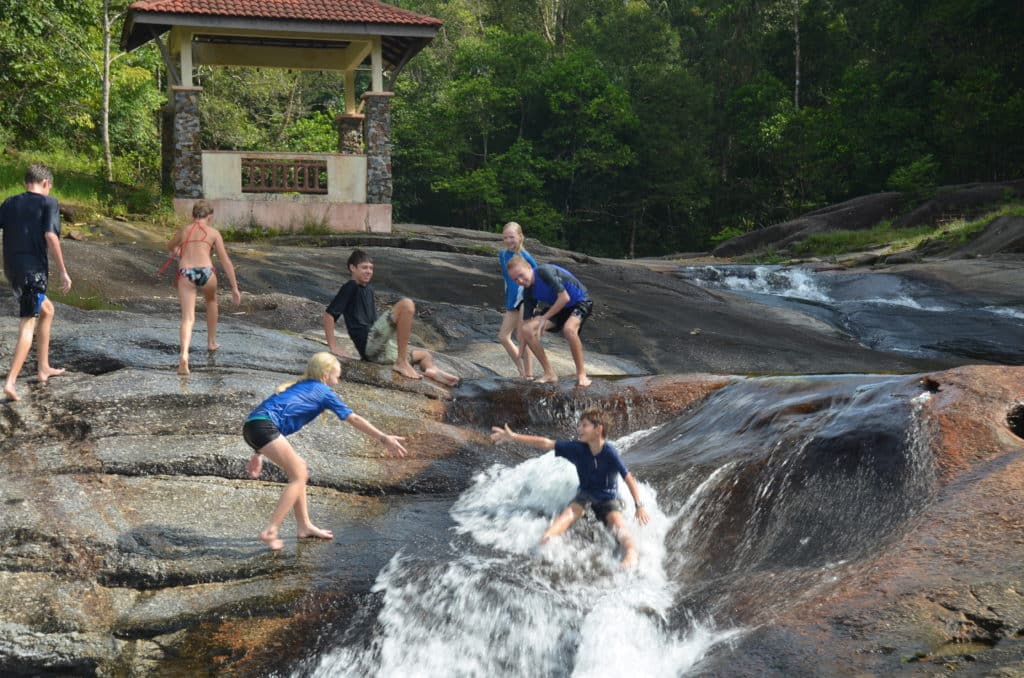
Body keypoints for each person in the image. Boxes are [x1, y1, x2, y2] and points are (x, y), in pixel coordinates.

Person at [244, 352, 407, 550]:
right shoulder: (323, 391)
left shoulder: (298, 386)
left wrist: (258, 452)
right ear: (326, 373)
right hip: (264, 428)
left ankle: (304, 526)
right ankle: (271, 530)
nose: (337, 382)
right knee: (299, 475)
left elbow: (270, 413)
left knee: (300, 469)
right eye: (336, 376)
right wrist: (383, 438)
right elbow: (353, 418)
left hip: (252, 427)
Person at [490, 407, 650, 569]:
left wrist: (639, 505)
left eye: (584, 425)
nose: (579, 429)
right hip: (585, 494)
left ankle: (631, 553)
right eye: (579, 425)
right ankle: (545, 543)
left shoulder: (610, 453)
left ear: (598, 429)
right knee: (568, 514)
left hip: (607, 497)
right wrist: (514, 436)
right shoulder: (576, 449)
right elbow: (545, 443)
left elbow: (628, 478)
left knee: (617, 523)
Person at [322, 249, 459, 386]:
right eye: (364, 267)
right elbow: (329, 315)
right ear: (352, 268)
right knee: (406, 305)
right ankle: (402, 362)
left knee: (425, 355)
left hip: (380, 351)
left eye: (371, 268)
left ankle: (432, 370)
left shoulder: (368, 290)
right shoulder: (350, 287)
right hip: (369, 343)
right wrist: (333, 346)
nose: (369, 271)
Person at [0, 164, 72, 402]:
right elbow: (50, 236)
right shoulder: (48, 203)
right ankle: (10, 382)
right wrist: (63, 271)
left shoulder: (9, 202)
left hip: (13, 269)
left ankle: (43, 367)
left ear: (25, 183)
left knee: (47, 310)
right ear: (46, 184)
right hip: (33, 272)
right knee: (27, 325)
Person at [166, 200, 241, 375]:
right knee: (211, 301)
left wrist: (179, 252)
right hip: (207, 272)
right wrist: (234, 288)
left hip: (186, 273)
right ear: (210, 217)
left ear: (193, 216)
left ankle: (184, 356)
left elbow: (170, 247)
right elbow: (225, 261)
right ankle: (211, 342)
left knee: (188, 318)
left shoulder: (184, 230)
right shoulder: (214, 232)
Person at [506, 256, 593, 387]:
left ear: (529, 268)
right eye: (515, 279)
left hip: (580, 302)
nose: (520, 280)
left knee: (569, 330)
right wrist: (521, 348)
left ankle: (581, 374)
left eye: (521, 275)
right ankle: (549, 373)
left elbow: (564, 297)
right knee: (527, 329)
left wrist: (544, 317)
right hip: (559, 308)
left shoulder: (543, 272)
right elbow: (525, 324)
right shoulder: (528, 292)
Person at [497, 222, 538, 379]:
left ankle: (528, 374)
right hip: (511, 300)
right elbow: (507, 278)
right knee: (503, 336)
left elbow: (537, 277)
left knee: (522, 336)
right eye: (505, 237)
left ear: (520, 237)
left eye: (512, 237)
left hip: (526, 299)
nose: (508, 240)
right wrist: (508, 299)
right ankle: (521, 371)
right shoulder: (502, 254)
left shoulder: (526, 257)